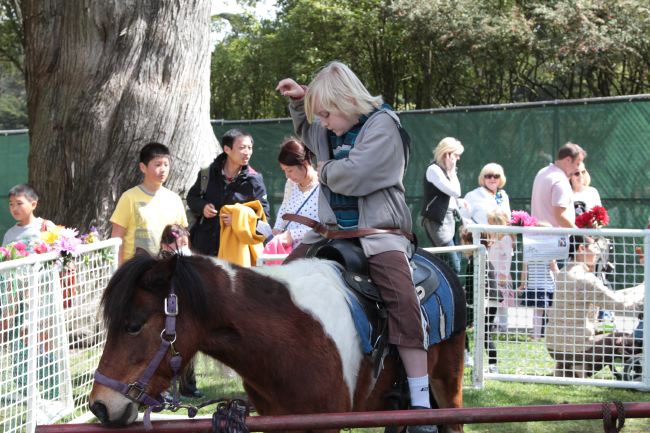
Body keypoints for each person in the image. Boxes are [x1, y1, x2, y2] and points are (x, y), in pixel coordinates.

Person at [276, 61, 436, 431]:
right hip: (329, 232)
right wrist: (300, 102)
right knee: (279, 285)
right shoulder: (331, 125)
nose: (323, 123)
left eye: (326, 114)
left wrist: (325, 170)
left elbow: (357, 174)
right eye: (320, 115)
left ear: (346, 101)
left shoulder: (384, 125)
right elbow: (309, 132)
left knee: (401, 298)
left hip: (379, 233)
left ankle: (421, 402)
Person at [545, 235, 644, 378]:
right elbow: (619, 304)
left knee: (605, 332)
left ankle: (566, 369)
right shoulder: (585, 279)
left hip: (553, 347)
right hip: (576, 348)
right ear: (581, 248)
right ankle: (579, 371)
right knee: (624, 339)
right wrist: (644, 290)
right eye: (595, 248)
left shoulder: (564, 272)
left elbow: (609, 296)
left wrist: (640, 288)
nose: (598, 252)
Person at [186, 128, 270, 256]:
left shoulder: (255, 180)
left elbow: (264, 220)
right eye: (242, 148)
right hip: (204, 250)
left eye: (250, 148)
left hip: (237, 253)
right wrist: (202, 207)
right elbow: (192, 197)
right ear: (227, 149)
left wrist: (238, 220)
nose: (247, 152)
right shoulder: (207, 174)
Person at [110, 142, 188, 265]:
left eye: (166, 164)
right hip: (135, 270)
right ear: (143, 167)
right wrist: (120, 269)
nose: (163, 169)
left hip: (166, 268)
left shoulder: (175, 199)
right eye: (158, 165)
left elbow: (183, 237)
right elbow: (117, 238)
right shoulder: (129, 198)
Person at [158, 224, 203, 399]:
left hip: (185, 314)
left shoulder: (189, 263)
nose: (184, 248)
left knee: (188, 352)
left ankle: (188, 386)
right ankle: (163, 390)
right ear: (165, 245)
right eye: (180, 244)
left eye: (185, 244)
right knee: (165, 354)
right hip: (166, 316)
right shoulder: (160, 264)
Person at [421, 137, 464, 274]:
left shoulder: (447, 171)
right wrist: (452, 171)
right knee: (453, 266)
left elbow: (453, 196)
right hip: (439, 221)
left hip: (453, 219)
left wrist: (460, 203)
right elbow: (456, 191)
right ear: (447, 154)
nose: (458, 158)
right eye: (456, 155)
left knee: (454, 264)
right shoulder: (434, 169)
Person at [272, 137, 320, 250]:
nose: (287, 176)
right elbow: (284, 208)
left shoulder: (323, 186)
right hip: (287, 251)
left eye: (290, 170)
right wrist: (277, 228)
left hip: (311, 251)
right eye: (284, 171)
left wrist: (293, 235)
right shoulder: (291, 184)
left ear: (304, 163)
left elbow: (326, 228)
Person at [517, 222, 558, 341]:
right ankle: (555, 335)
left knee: (537, 313)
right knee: (551, 312)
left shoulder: (529, 249)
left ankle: (536, 336)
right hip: (547, 286)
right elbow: (554, 268)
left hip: (533, 286)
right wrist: (561, 280)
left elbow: (525, 269)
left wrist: (522, 284)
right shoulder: (549, 250)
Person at [530, 142, 586, 228]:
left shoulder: (542, 172)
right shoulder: (560, 181)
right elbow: (560, 217)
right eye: (577, 164)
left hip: (538, 234)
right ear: (568, 160)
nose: (577, 168)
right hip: (554, 236)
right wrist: (580, 234)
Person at [486, 210, 515, 334]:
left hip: (501, 275)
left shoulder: (506, 239)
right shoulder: (493, 240)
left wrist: (504, 274)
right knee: (494, 301)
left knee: (503, 302)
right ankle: (494, 324)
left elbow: (507, 258)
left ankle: (503, 326)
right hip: (493, 275)